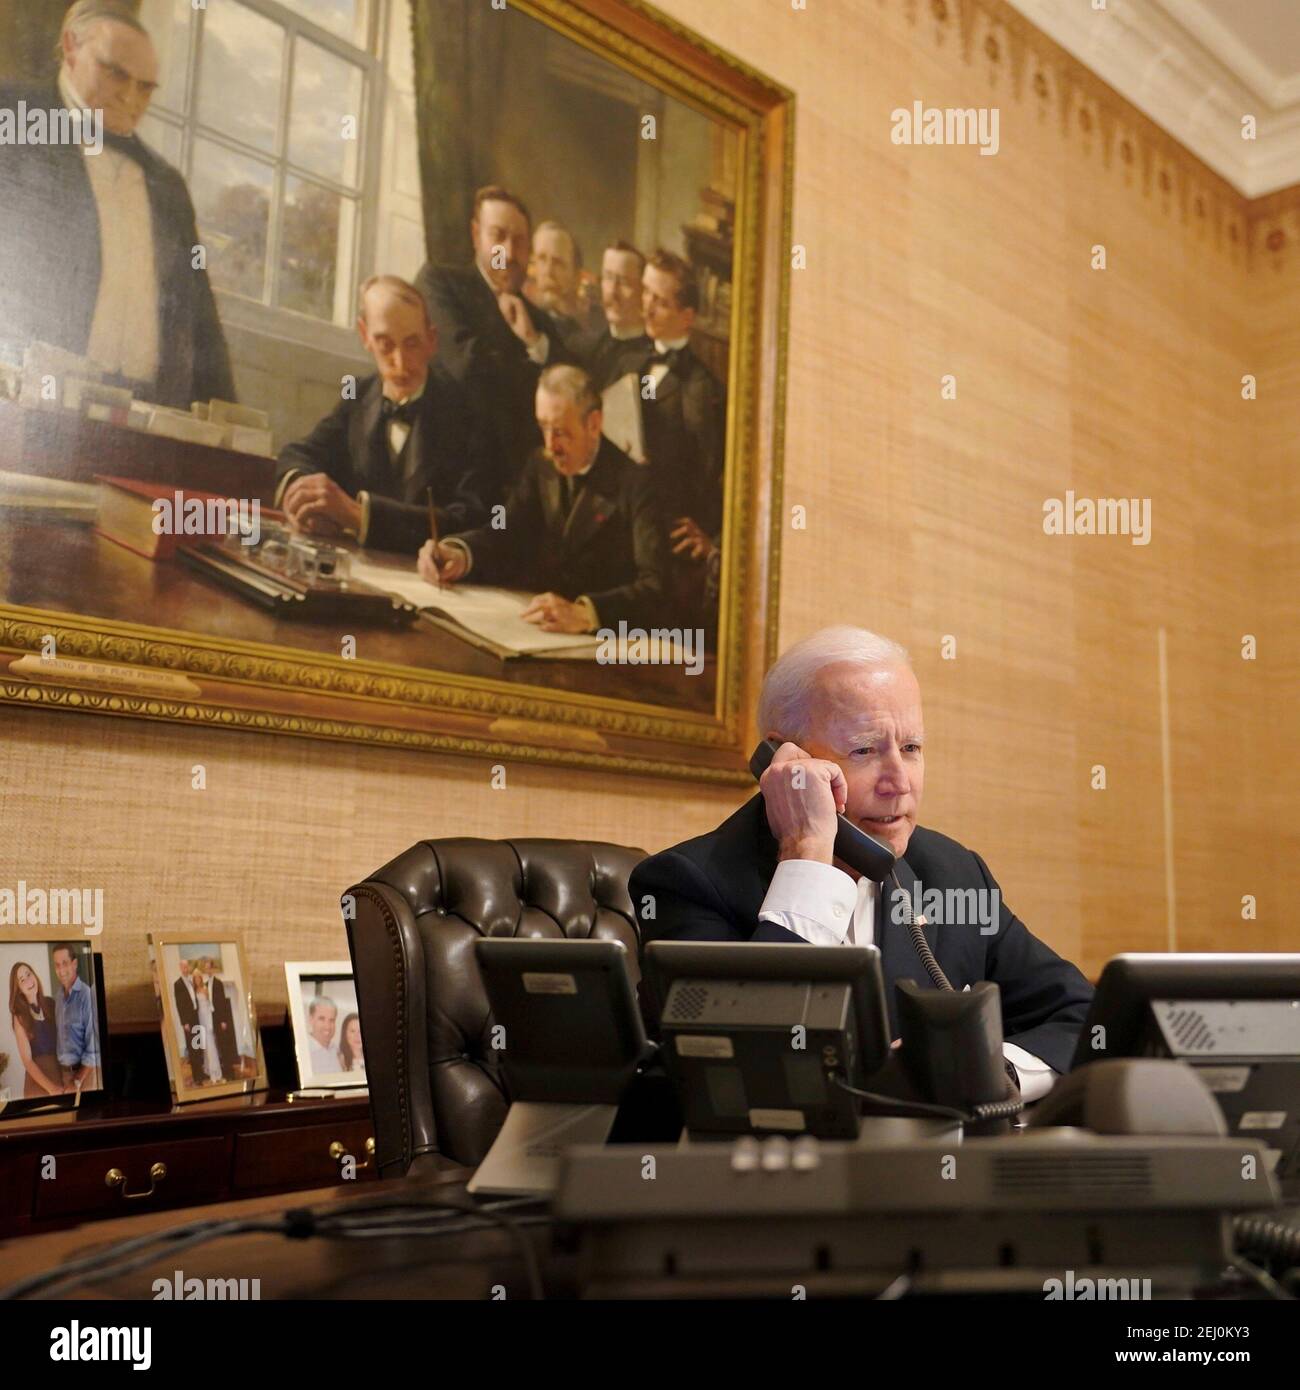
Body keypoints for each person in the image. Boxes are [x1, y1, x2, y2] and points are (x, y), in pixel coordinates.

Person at [631, 627, 1094, 1095]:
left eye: (911, 748)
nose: (899, 781)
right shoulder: (684, 884)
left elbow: (1082, 1019)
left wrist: (990, 1071)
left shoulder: (952, 874)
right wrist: (808, 853)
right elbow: (746, 1071)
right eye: (865, 749)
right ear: (786, 762)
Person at [0, 0, 234, 409]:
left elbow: (200, 320)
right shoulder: (11, 121)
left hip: (144, 414)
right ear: (70, 48)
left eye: (145, 87)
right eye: (115, 73)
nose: (130, 97)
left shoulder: (167, 186)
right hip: (27, 404)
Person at [419, 365, 667, 635]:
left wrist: (587, 613)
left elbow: (657, 586)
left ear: (593, 424)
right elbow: (504, 529)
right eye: (543, 428)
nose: (550, 446)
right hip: (540, 632)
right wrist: (460, 552)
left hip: (608, 646)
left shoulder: (637, 483)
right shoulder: (540, 465)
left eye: (560, 431)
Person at [275, 276, 490, 553]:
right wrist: (303, 496)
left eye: (412, 344)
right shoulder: (359, 395)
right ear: (365, 336)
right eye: (385, 344)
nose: (400, 363)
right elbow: (299, 452)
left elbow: (470, 519)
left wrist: (358, 515)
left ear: (431, 340)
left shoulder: (468, 413)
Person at [415, 186, 573, 501]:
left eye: (520, 241)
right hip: (445, 479)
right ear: (476, 235)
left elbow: (569, 395)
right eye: (498, 236)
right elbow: (469, 369)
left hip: (515, 493)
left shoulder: (540, 325)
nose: (509, 253)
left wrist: (534, 343)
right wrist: (530, 372)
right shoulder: (440, 284)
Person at [638, 250, 727, 628]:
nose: (648, 307)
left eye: (660, 301)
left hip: (669, 541)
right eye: (646, 293)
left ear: (687, 317)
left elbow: (712, 472)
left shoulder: (700, 387)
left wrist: (709, 536)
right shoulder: (634, 359)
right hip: (630, 522)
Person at [572, 241, 652, 391]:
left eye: (624, 282)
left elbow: (651, 407)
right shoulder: (587, 349)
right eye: (608, 277)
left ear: (643, 291)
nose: (613, 292)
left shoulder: (653, 358)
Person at [9, 962, 64, 1098]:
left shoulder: (52, 1003)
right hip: (38, 1083)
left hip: (61, 1073)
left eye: (28, 974)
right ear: (19, 989)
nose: (28, 980)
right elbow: (27, 1061)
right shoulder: (19, 1016)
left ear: (34, 974)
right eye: (22, 980)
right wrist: (52, 1088)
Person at [52, 945, 100, 1094]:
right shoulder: (58, 997)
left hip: (85, 1076)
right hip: (65, 1075)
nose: (61, 970)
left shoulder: (87, 995)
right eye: (57, 965)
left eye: (65, 963)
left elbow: (94, 1047)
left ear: (75, 964)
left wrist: (77, 1080)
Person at [172, 957, 207, 1084]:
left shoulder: (191, 981)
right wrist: (184, 1022)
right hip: (188, 1021)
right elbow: (179, 1004)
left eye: (187, 967)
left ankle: (202, 1073)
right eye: (184, 967)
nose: (186, 969)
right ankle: (197, 1077)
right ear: (181, 968)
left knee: (198, 1045)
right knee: (192, 1048)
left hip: (196, 1017)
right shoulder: (178, 984)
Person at [191, 965, 224, 1085]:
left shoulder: (206, 989)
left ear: (201, 978)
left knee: (210, 1045)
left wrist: (211, 1023)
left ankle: (216, 1072)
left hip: (207, 1018)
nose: (197, 980)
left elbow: (211, 1006)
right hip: (199, 1019)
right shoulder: (194, 991)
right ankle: (208, 1070)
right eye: (195, 979)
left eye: (198, 978)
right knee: (204, 1045)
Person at [306, 997, 339, 1075]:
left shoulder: (337, 1050)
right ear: (311, 1020)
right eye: (321, 1019)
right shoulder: (304, 1051)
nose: (327, 1026)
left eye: (332, 1020)